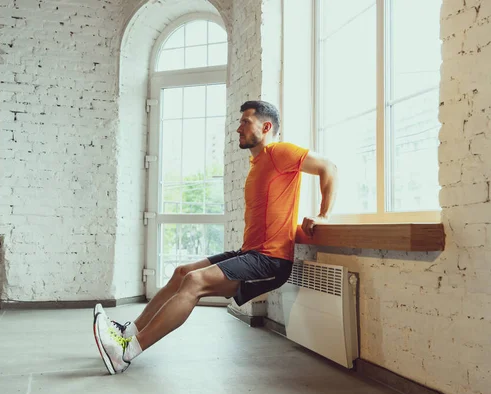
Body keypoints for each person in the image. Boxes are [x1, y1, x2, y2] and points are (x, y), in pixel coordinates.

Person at [93, 100, 337, 375]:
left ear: (266, 127)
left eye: (245, 122)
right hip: (251, 253)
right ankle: (130, 331)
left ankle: (126, 353)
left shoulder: (280, 152)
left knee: (195, 282)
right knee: (182, 272)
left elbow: (329, 167)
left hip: (271, 260)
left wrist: (324, 215)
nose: (238, 128)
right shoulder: (258, 162)